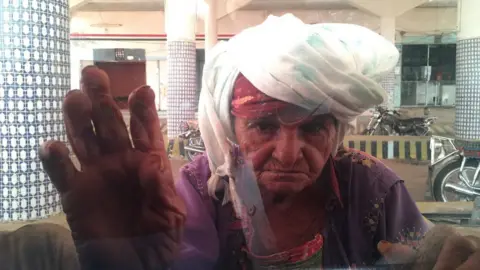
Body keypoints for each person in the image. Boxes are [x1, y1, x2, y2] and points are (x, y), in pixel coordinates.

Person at [37, 14, 480, 270]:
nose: (289, 153)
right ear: (229, 125)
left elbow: (430, 258)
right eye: (264, 126)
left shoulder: (372, 189)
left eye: (312, 128)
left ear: (339, 128)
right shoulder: (199, 191)